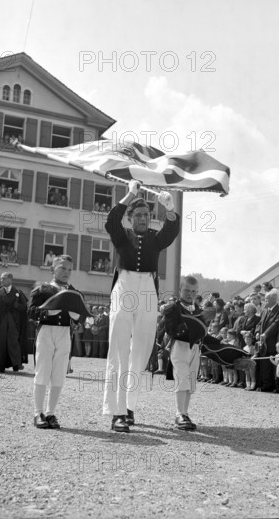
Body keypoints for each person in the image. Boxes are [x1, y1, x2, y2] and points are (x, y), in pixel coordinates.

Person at [103, 180, 180, 433]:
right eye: (139, 215)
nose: (144, 218)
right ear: (131, 217)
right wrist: (130, 194)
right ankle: (117, 412)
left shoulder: (154, 240)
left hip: (147, 287)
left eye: (147, 214)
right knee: (119, 348)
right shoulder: (122, 235)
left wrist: (169, 210)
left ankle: (129, 405)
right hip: (124, 285)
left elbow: (170, 232)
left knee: (142, 349)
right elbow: (111, 221)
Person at [28, 255, 87, 429]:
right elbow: (31, 312)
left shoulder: (75, 292)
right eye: (62, 268)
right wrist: (48, 313)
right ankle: (38, 412)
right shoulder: (42, 289)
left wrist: (77, 318)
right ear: (52, 269)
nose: (66, 272)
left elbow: (82, 314)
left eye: (69, 269)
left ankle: (51, 412)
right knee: (43, 371)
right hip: (46, 331)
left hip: (65, 333)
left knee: (59, 373)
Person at [163, 275, 202, 430]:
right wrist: (187, 327)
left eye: (193, 291)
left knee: (191, 380)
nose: (190, 294)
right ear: (180, 290)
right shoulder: (173, 307)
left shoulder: (199, 310)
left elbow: (203, 331)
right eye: (186, 290)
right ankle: (179, 413)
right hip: (180, 345)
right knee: (182, 378)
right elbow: (170, 329)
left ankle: (185, 412)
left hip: (195, 347)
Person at [0, 272, 28, 373]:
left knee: (14, 341)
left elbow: (24, 307)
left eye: (4, 278)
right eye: (1, 279)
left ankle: (16, 364)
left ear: (10, 279)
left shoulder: (18, 292)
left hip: (13, 319)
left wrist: (17, 306)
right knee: (1, 342)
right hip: (0, 319)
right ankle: (0, 366)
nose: (1, 280)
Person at [256, 289, 279, 392]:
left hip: (272, 341)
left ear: (273, 299)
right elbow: (259, 323)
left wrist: (265, 334)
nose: (264, 301)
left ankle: (276, 386)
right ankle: (266, 384)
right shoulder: (264, 311)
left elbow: (275, 324)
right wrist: (257, 332)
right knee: (264, 365)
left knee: (273, 365)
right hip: (263, 343)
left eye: (266, 299)